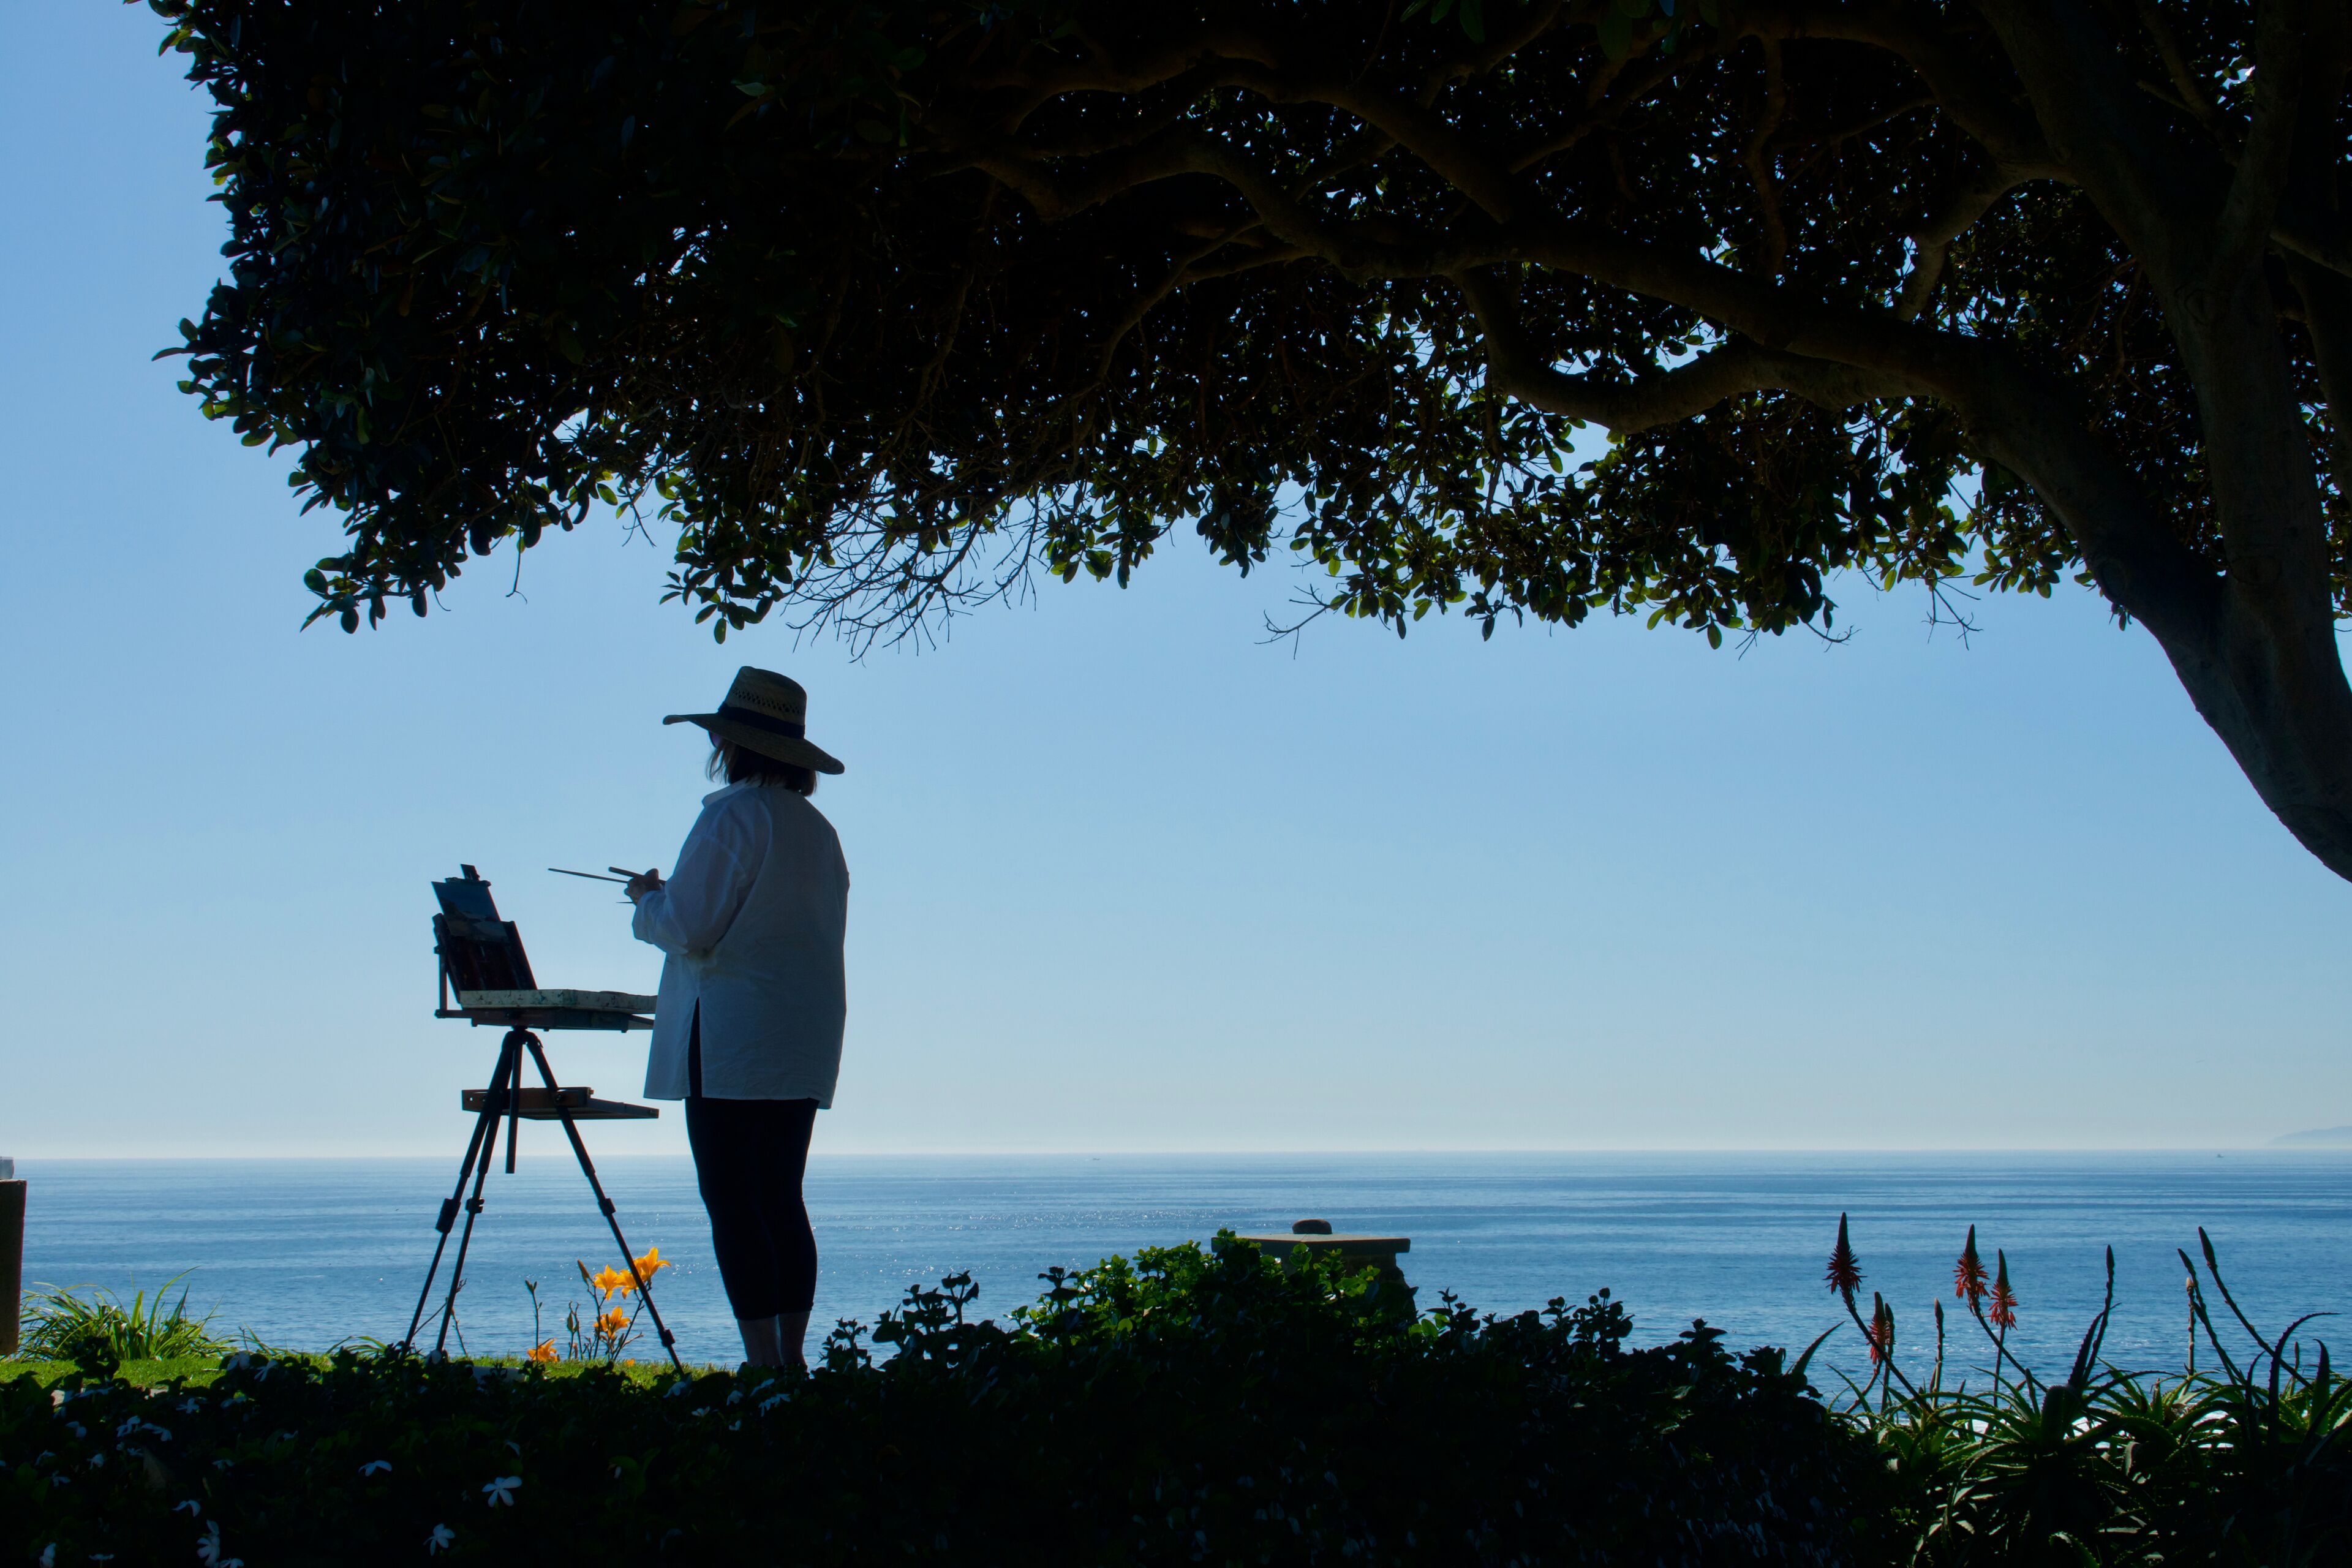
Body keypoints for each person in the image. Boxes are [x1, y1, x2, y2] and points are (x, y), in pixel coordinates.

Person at [624, 666, 849, 1370]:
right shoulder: (818, 830)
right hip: (801, 1034)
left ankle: (761, 1363)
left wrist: (646, 902)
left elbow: (689, 927)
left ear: (732, 743)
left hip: (729, 1036)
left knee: (731, 1199)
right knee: (781, 1196)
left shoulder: (731, 815)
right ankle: (792, 1358)